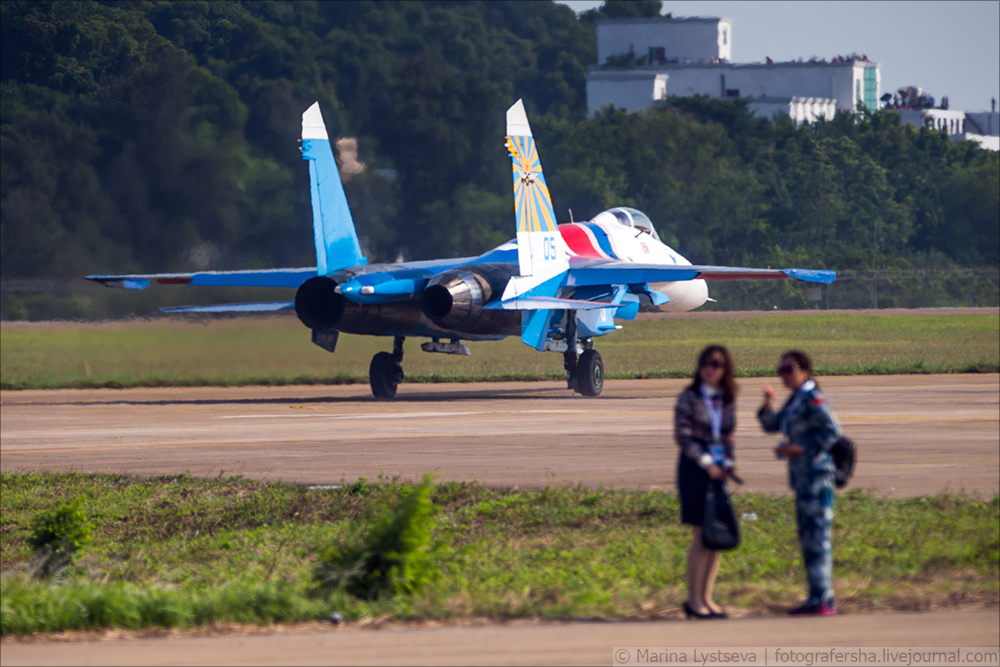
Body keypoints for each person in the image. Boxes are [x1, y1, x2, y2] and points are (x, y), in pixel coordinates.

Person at [758, 351, 842, 616]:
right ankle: (816, 597)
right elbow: (773, 425)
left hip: (817, 476)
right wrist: (767, 405)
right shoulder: (796, 400)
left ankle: (824, 600)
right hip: (803, 478)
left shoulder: (813, 398)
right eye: (780, 369)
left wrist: (800, 448)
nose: (783, 374)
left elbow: (832, 432)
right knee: (808, 539)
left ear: (805, 370)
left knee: (818, 539)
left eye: (789, 368)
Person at [675, 345, 738, 619]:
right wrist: (706, 463)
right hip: (694, 469)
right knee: (701, 535)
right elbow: (684, 436)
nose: (710, 369)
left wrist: (727, 464)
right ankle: (694, 600)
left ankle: (708, 598)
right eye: (706, 364)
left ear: (725, 370)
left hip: (718, 470)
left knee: (715, 537)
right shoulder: (689, 397)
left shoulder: (726, 398)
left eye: (716, 364)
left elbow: (728, 436)